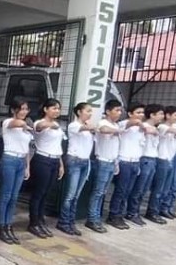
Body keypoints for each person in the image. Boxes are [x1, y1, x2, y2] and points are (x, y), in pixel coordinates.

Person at [0, 96, 32, 244]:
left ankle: (8, 225)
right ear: (13, 110)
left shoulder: (25, 127)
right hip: (9, 160)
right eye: (21, 109)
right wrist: (27, 125)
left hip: (21, 161)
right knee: (5, 195)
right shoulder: (7, 122)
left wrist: (27, 166)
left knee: (14, 197)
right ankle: (1, 227)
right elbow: (16, 123)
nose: (24, 112)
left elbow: (27, 149)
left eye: (26, 109)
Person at [56, 102, 96, 236]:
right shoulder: (74, 125)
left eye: (91, 111)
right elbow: (84, 129)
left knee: (76, 195)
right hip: (75, 160)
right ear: (79, 112)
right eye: (88, 111)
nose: (90, 114)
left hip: (85, 161)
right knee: (70, 195)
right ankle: (63, 222)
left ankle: (70, 222)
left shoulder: (87, 127)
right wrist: (92, 127)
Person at [84, 99, 123, 234]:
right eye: (116, 110)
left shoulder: (116, 125)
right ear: (107, 111)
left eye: (120, 110)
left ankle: (97, 217)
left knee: (103, 192)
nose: (119, 113)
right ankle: (92, 219)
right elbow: (103, 130)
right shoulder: (103, 123)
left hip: (112, 161)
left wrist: (116, 163)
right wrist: (117, 130)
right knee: (98, 192)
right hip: (102, 161)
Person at [28, 98, 64, 239]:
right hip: (42, 159)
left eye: (58, 109)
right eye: (54, 108)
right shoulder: (39, 122)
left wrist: (61, 164)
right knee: (38, 192)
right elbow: (38, 127)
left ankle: (41, 220)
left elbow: (58, 145)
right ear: (45, 109)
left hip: (55, 159)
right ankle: (33, 222)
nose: (57, 111)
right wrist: (48, 125)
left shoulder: (57, 125)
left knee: (46, 193)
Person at [107, 102, 146, 230]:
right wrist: (136, 122)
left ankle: (120, 214)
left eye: (142, 113)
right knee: (120, 190)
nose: (141, 115)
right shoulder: (124, 124)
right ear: (130, 114)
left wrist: (142, 126)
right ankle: (113, 215)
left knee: (128, 191)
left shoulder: (141, 127)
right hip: (124, 161)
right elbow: (128, 124)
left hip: (135, 161)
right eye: (138, 112)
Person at [125, 103, 164, 227]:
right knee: (139, 188)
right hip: (144, 159)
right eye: (160, 114)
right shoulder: (144, 126)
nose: (162, 117)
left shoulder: (154, 127)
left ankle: (135, 212)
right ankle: (132, 212)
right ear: (152, 115)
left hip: (152, 159)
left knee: (144, 188)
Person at [146, 106, 176, 224]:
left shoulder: (172, 127)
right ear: (168, 115)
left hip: (169, 159)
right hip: (161, 159)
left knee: (165, 188)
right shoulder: (162, 127)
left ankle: (159, 209)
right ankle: (152, 211)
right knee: (158, 189)